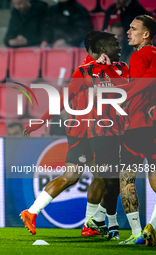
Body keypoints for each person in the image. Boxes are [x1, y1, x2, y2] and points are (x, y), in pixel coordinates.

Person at [20, 32, 126, 238]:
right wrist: (39, 123)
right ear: (96, 49)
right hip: (82, 134)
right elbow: (62, 100)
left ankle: (89, 224)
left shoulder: (114, 69)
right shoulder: (85, 71)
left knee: (102, 177)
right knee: (72, 177)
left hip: (99, 134)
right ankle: (31, 212)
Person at [109, 14, 156, 245]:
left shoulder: (139, 55)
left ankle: (137, 232)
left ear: (146, 34)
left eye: (133, 28)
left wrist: (121, 97)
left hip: (136, 127)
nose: (128, 32)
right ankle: (153, 226)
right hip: (152, 127)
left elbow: (139, 86)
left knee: (126, 180)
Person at [85, 33, 129, 241]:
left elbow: (126, 89)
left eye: (119, 44)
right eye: (114, 45)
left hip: (126, 129)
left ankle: (100, 219)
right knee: (111, 178)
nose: (119, 47)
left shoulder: (123, 67)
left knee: (120, 178)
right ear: (103, 49)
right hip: (102, 132)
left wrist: (109, 68)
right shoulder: (87, 70)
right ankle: (112, 224)